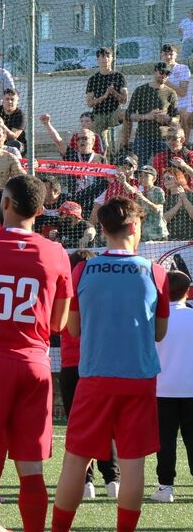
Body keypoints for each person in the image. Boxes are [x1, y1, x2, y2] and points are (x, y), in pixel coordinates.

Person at [0, 175, 73, 532]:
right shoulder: (55, 253)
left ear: (4, 203)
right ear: (39, 211)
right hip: (35, 363)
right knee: (32, 466)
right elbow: (59, 322)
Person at [50, 197, 170, 532]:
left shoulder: (84, 268)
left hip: (95, 377)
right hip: (139, 378)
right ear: (135, 227)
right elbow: (159, 333)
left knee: (76, 460)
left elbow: (72, 329)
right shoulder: (156, 273)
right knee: (133, 464)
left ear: (102, 229)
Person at [57, 250, 119, 502]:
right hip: (99, 363)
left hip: (73, 364)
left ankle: (86, 482)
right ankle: (112, 478)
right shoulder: (101, 290)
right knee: (107, 423)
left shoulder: (67, 290)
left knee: (78, 425)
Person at [151, 270, 193, 503]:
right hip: (191, 389)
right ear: (187, 291)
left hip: (162, 389)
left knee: (165, 440)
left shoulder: (155, 320)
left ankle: (165, 487)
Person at [128, 62, 179, 167]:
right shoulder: (141, 90)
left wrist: (168, 118)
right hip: (143, 136)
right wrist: (147, 116)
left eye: (167, 73)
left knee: (164, 168)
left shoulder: (171, 93)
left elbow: (177, 118)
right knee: (139, 167)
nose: (164, 75)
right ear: (154, 72)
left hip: (163, 138)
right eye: (162, 72)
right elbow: (129, 115)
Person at [84, 47, 128, 154]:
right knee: (103, 146)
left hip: (114, 112)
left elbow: (124, 100)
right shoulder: (93, 79)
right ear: (98, 59)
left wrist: (113, 92)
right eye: (102, 56)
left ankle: (123, 147)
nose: (105, 59)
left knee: (127, 115)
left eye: (108, 56)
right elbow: (90, 103)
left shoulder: (119, 76)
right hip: (99, 114)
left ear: (112, 58)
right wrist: (104, 96)